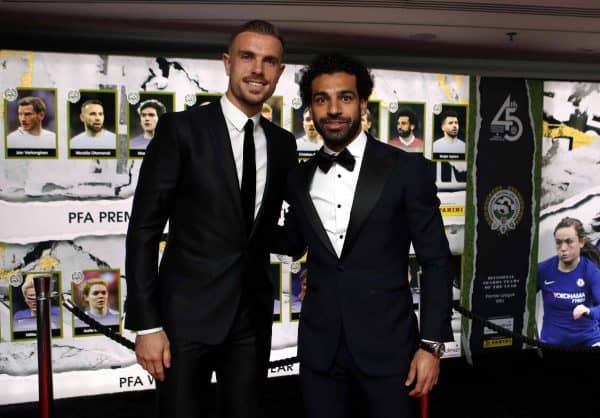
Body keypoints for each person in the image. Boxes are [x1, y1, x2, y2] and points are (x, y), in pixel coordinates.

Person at [125, 20, 296, 418]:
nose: (258, 70)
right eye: (247, 57)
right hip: (183, 321)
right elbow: (144, 230)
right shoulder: (180, 130)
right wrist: (147, 325)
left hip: (250, 323)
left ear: (279, 73)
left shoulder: (283, 144)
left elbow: (268, 230)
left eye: (269, 61)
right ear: (227, 63)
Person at [277, 53, 453, 418]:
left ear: (362, 102)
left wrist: (430, 345)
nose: (333, 109)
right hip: (320, 353)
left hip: (391, 351)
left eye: (345, 97)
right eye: (321, 99)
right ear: (310, 108)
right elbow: (291, 245)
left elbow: (435, 261)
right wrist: (231, 217)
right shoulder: (298, 176)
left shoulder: (406, 169)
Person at [537, 217, 600, 347]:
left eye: (569, 242)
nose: (563, 248)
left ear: (581, 242)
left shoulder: (591, 271)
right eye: (558, 242)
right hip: (552, 342)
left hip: (588, 341)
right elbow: (521, 297)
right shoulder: (543, 270)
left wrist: (589, 311)